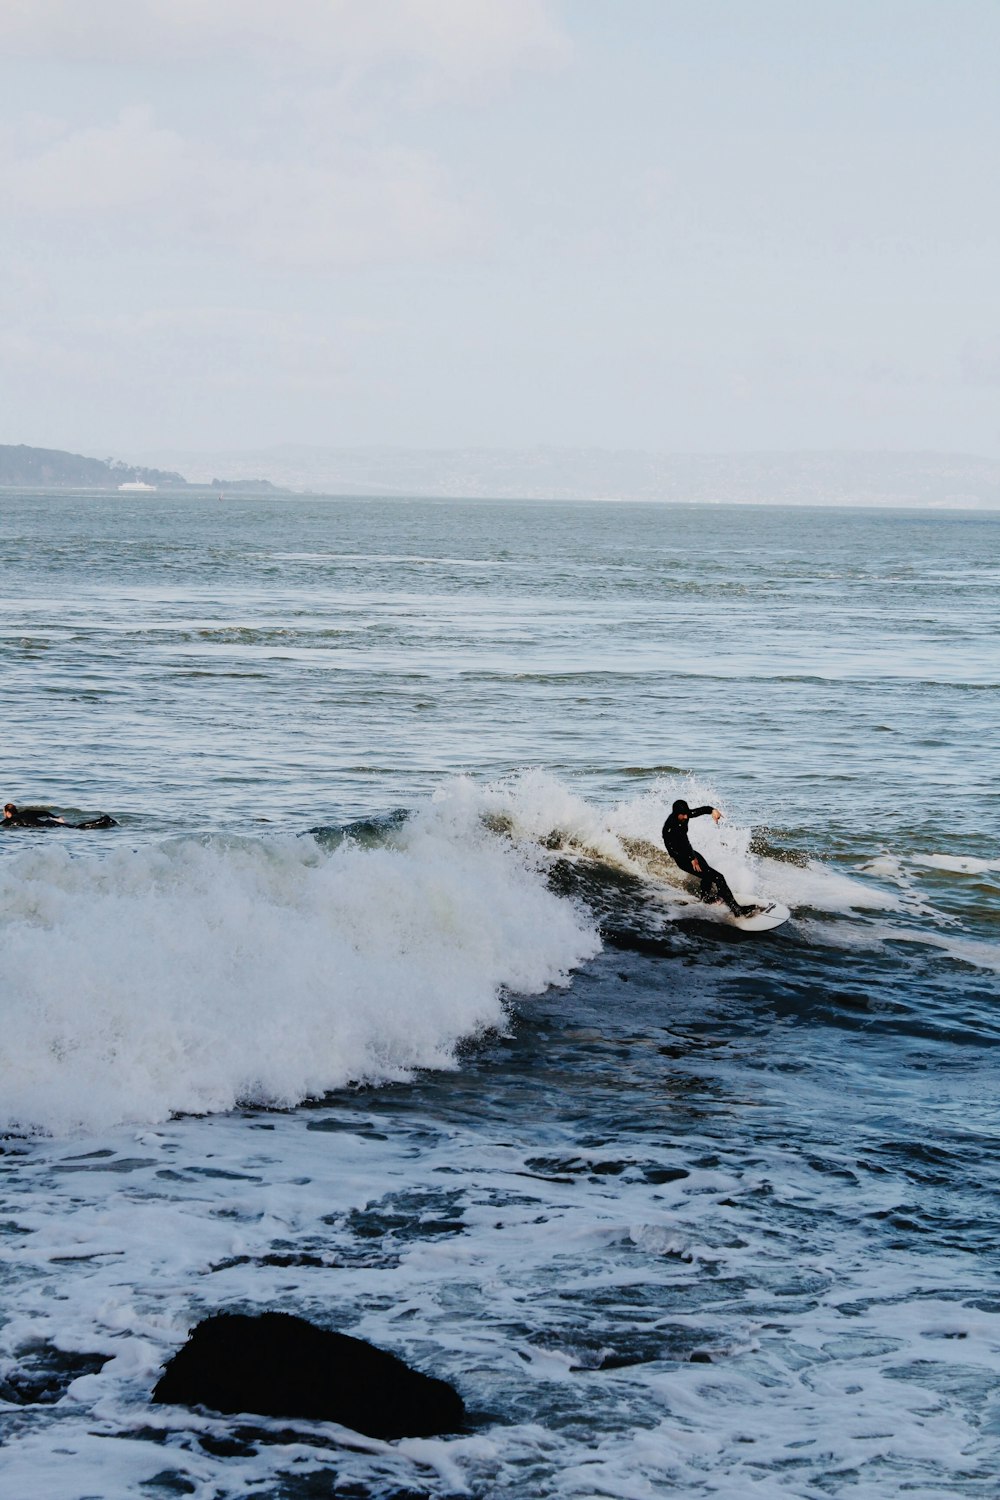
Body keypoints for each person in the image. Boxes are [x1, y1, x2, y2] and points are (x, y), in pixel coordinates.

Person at [661, 799, 758, 918]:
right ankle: (736, 910)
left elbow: (698, 811)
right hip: (682, 858)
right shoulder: (671, 826)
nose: (686, 817)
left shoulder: (683, 815)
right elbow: (682, 843)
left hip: (689, 853)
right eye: (683, 815)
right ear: (676, 813)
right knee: (718, 877)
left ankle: (706, 898)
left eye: (687, 813)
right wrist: (691, 858)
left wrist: (712, 810)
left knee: (707, 872)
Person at [3, 802, 117, 830]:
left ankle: (102, 821)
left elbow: (2, 825)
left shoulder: (11, 820)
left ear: (8, 813)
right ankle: (102, 822)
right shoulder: (26, 812)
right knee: (76, 827)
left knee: (78, 829)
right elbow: (44, 813)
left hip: (47, 827)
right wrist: (56, 818)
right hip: (50, 822)